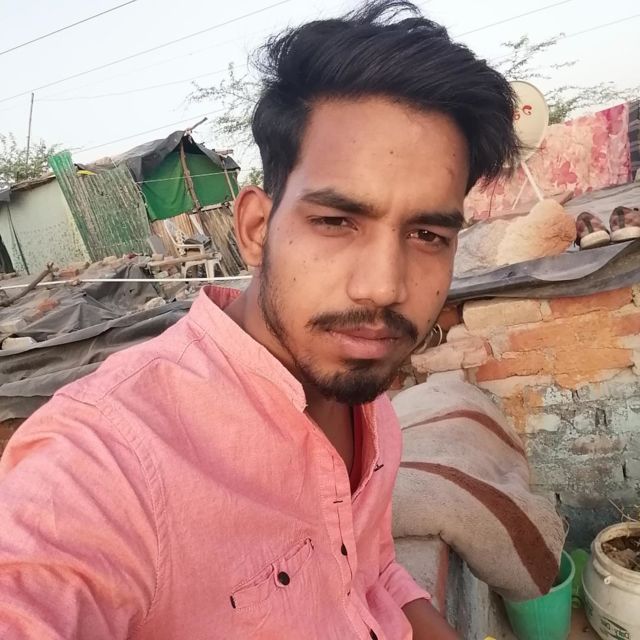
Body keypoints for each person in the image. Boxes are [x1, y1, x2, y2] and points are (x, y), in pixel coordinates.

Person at [0, 1, 518, 638]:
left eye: (428, 235)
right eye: (336, 221)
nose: (385, 287)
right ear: (254, 228)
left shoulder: (370, 406)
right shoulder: (107, 455)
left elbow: (372, 569)